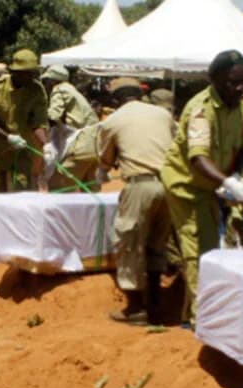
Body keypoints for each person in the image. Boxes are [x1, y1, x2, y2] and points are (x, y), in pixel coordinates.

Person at [159, 50, 243, 327]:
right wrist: (225, 181)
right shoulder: (201, 110)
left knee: (211, 248)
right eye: (232, 83)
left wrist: (234, 175)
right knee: (198, 249)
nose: (238, 88)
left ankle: (190, 314)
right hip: (186, 186)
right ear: (216, 80)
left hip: (213, 184)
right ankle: (203, 322)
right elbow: (198, 158)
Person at [98, 80, 175, 325]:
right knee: (157, 244)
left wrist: (105, 168)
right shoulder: (162, 114)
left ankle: (136, 308)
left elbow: (106, 159)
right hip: (169, 184)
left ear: (115, 100)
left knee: (129, 243)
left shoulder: (112, 121)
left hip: (140, 184)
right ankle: (156, 303)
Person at [0, 49, 49, 196]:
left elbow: (39, 122)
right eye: (27, 73)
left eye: (33, 72)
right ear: (15, 72)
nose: (31, 76)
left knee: (22, 190)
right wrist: (8, 137)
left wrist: (46, 145)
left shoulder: (37, 90)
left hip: (23, 149)